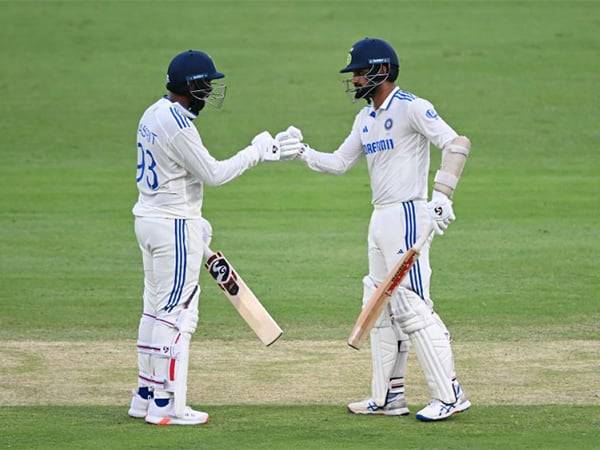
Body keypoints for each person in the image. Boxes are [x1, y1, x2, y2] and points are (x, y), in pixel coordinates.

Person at [278, 38, 472, 421]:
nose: (354, 80)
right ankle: (388, 397)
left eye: (359, 72)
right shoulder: (365, 118)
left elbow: (457, 143)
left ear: (381, 71)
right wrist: (301, 151)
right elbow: (337, 163)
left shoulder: (412, 107)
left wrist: (442, 196)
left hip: (408, 214)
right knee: (378, 304)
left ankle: (450, 394)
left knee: (412, 306)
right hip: (380, 217)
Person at [128, 49, 299, 425]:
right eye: (205, 84)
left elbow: (179, 175)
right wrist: (258, 152)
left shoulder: (152, 112)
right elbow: (214, 174)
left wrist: (194, 217)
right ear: (190, 87)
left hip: (151, 220)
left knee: (155, 309)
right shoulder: (178, 123)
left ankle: (145, 395)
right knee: (178, 317)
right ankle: (167, 405)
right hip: (174, 228)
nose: (209, 90)